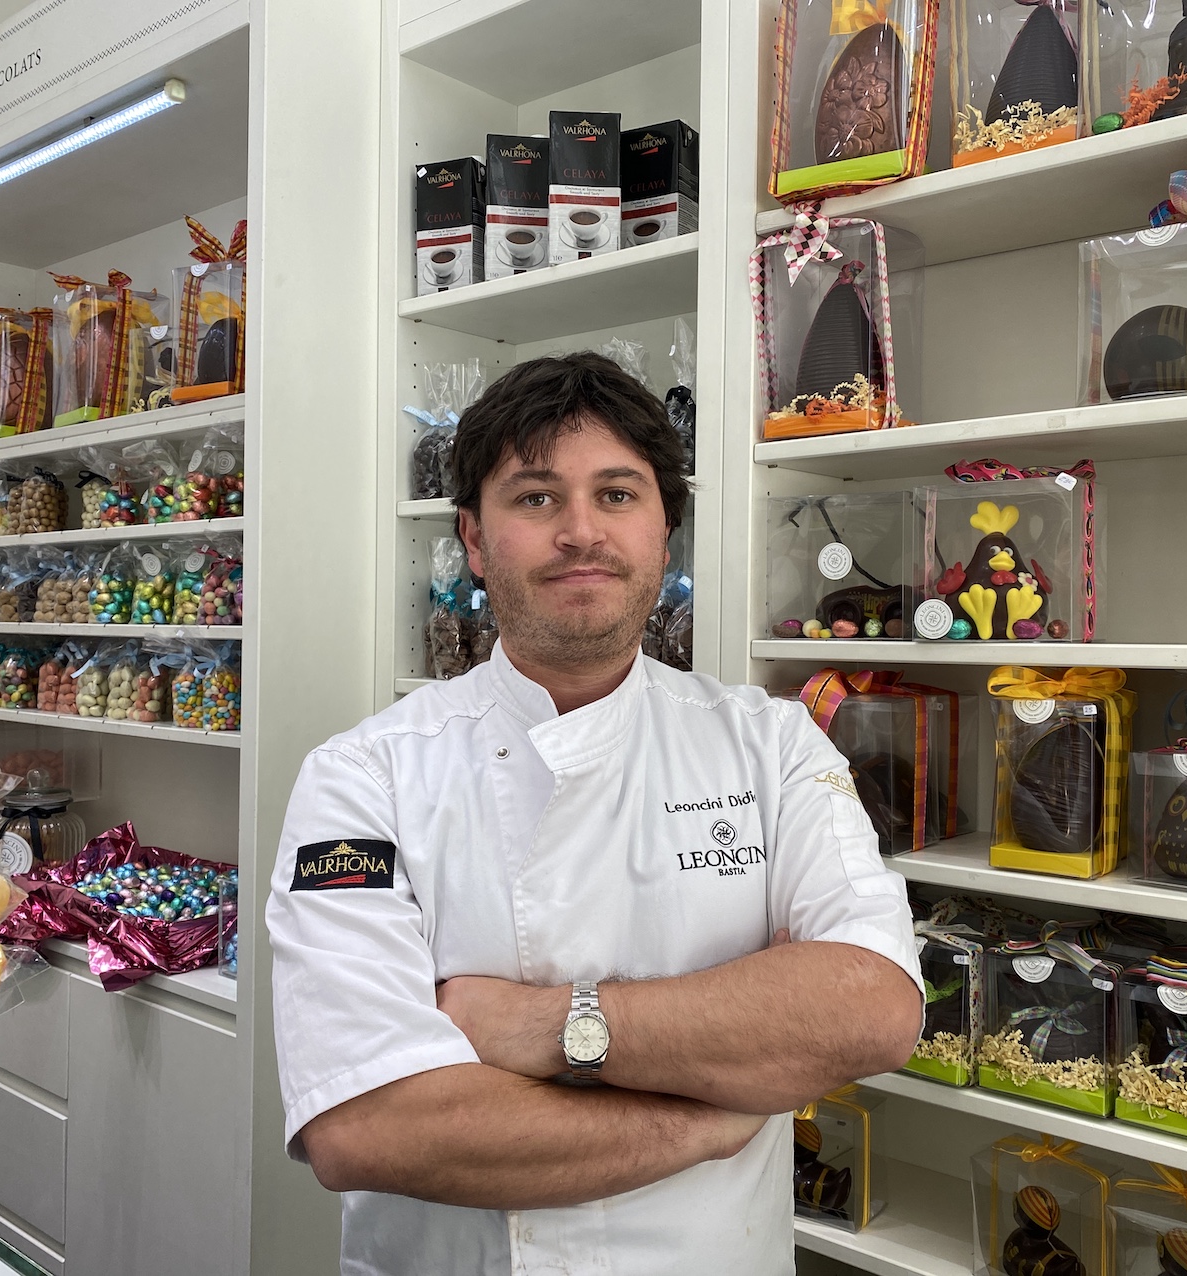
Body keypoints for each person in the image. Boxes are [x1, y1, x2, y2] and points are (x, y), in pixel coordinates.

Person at [266, 352, 924, 1275]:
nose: (580, 532)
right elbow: (368, 1128)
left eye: (616, 494)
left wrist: (536, 1026)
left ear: (664, 533)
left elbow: (873, 1009)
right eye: (535, 497)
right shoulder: (364, 776)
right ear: (473, 538)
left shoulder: (771, 746)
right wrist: (713, 1119)